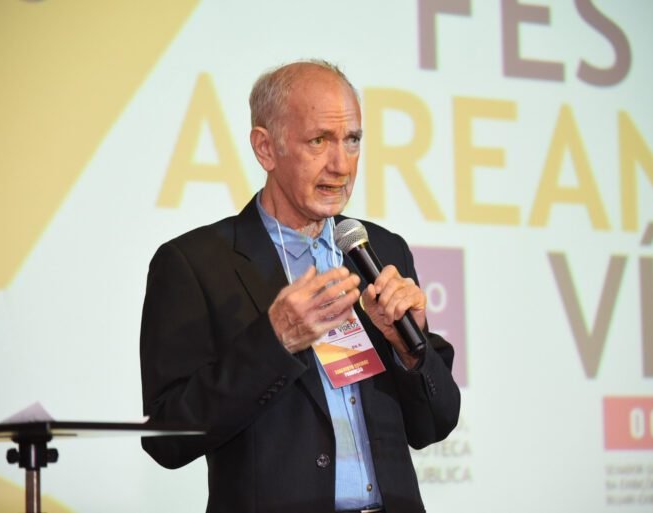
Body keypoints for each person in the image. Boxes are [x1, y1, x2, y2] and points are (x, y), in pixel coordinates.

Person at [140, 60, 461, 513]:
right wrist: (274, 341)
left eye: (352, 140)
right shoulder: (194, 264)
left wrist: (410, 351)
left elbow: (436, 424)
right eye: (319, 141)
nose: (341, 165)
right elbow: (167, 438)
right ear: (265, 148)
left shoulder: (382, 249)